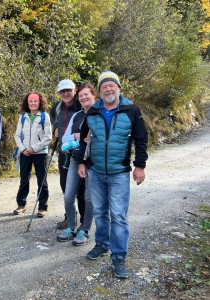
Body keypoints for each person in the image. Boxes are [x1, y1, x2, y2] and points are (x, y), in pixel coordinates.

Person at [77, 71, 148, 279]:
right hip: (96, 171)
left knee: (118, 215)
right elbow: (83, 138)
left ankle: (118, 257)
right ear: (99, 91)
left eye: (111, 85)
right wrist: (82, 162)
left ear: (118, 88)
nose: (108, 89)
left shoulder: (131, 109)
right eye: (104, 86)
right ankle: (101, 244)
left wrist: (140, 166)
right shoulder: (93, 111)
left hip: (119, 172)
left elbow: (141, 138)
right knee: (99, 211)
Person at [56, 83, 96, 246]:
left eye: (86, 94)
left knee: (88, 198)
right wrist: (79, 136)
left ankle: (84, 230)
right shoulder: (77, 115)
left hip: (94, 162)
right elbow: (65, 138)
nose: (83, 97)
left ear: (93, 95)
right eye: (81, 96)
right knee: (68, 196)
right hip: (75, 159)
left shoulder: (100, 114)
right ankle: (71, 228)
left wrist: (91, 138)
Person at [52, 79, 85, 229]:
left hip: (80, 153)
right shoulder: (57, 107)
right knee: (66, 187)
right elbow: (52, 119)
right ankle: (69, 217)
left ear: (74, 90)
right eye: (62, 91)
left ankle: (84, 221)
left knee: (82, 189)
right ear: (59, 93)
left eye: (68, 90)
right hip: (63, 152)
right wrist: (54, 129)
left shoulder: (81, 105)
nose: (65, 94)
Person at [13, 92, 52, 218]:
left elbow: (48, 137)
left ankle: (42, 207)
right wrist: (23, 149)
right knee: (24, 179)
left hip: (40, 153)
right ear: (27, 103)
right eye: (31, 101)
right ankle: (21, 205)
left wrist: (33, 149)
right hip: (25, 153)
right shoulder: (23, 117)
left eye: (35, 101)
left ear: (40, 102)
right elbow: (17, 136)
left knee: (42, 180)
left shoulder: (44, 116)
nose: (33, 103)